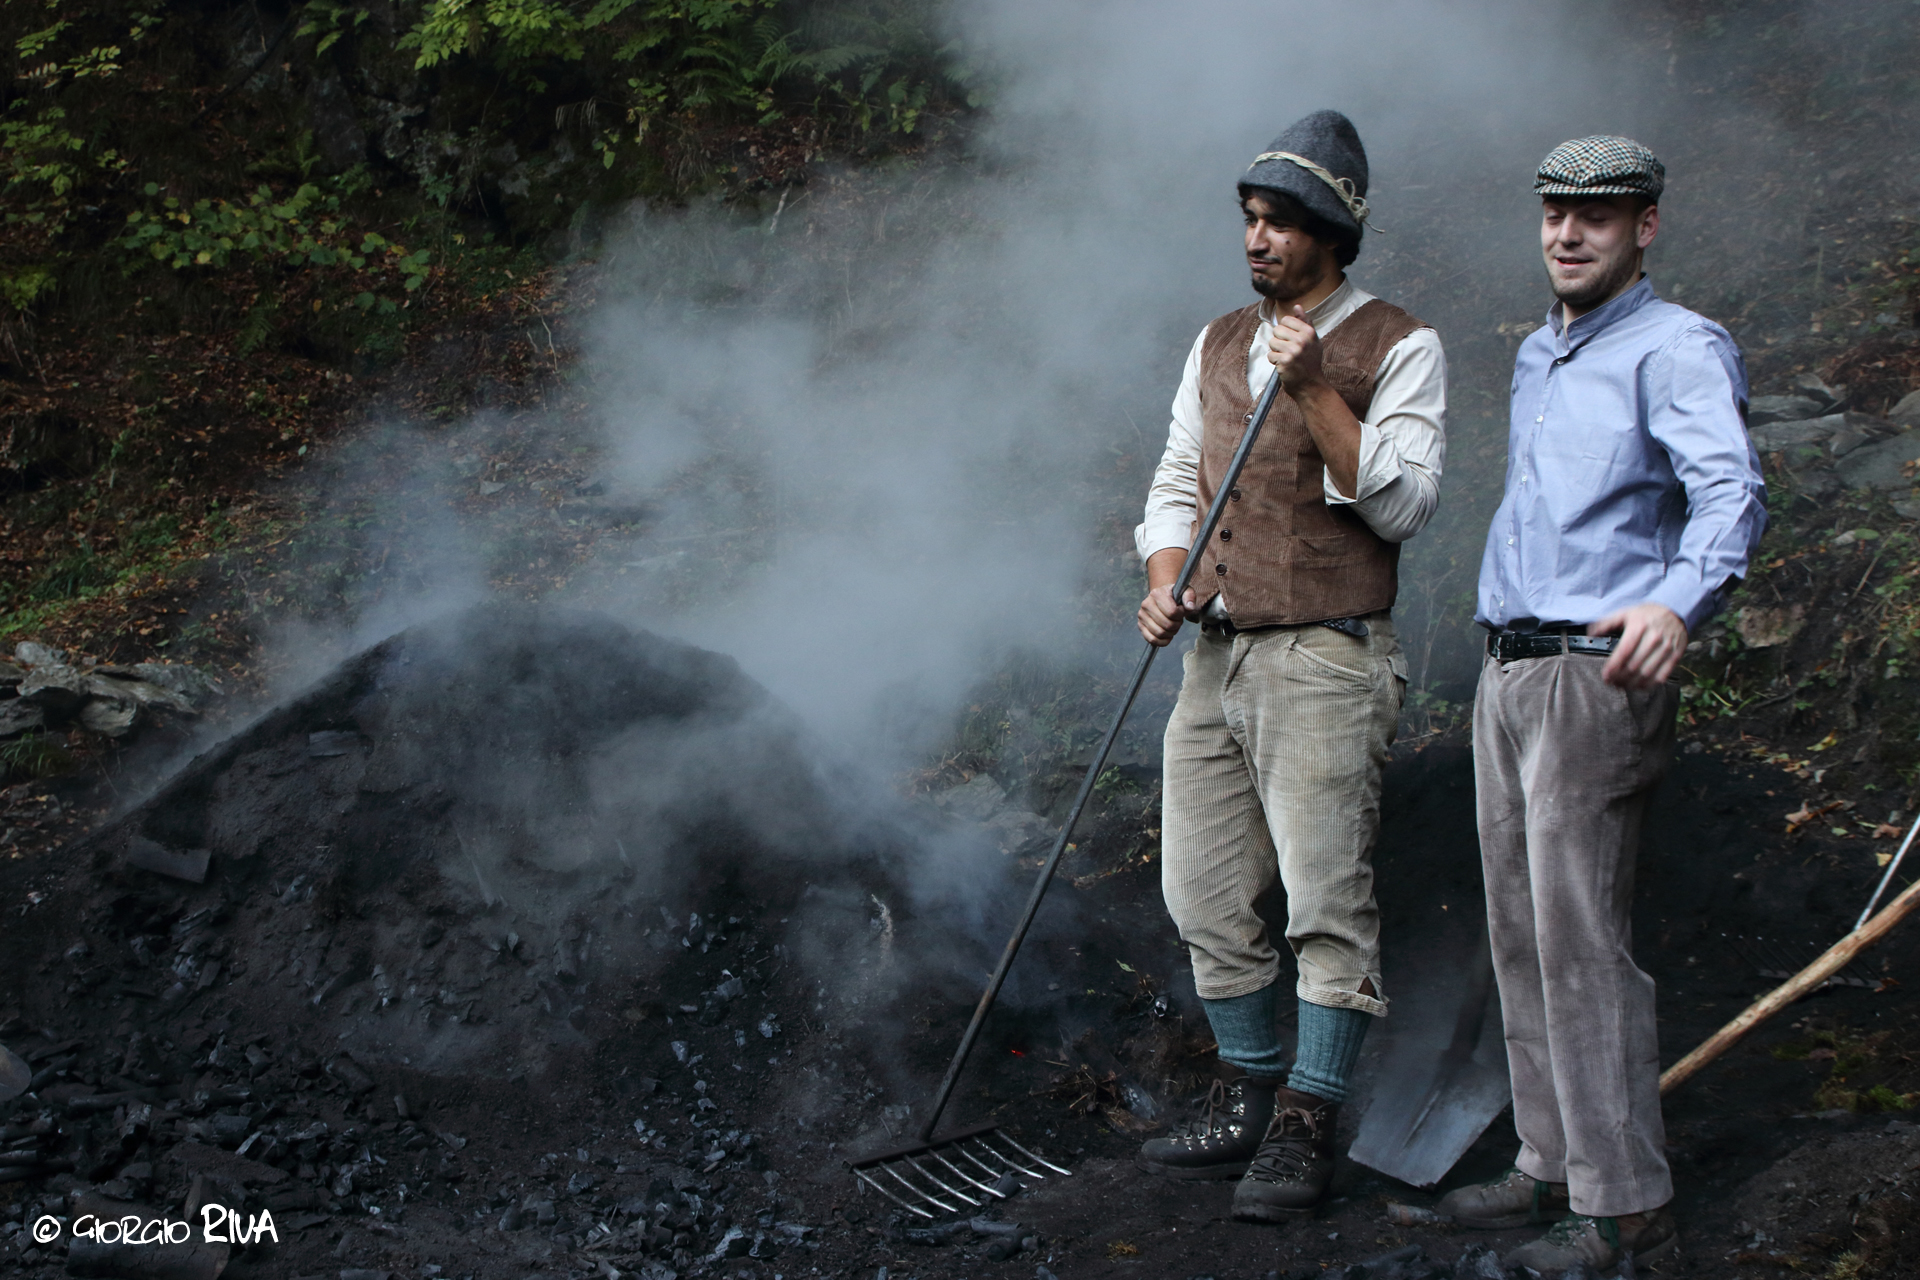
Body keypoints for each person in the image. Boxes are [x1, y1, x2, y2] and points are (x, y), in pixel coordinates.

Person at [1435, 136, 1766, 1273]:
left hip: (1596, 673)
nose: (1569, 234)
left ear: (1644, 227)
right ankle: (1551, 1162)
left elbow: (1730, 490)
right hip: (1512, 668)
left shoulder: (1676, 348)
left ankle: (1625, 1204)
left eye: (1598, 215)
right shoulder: (1541, 352)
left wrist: (1676, 601)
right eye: (1555, 214)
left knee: (1582, 943)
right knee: (1520, 932)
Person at [1131, 109, 1448, 1223]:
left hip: (1327, 657)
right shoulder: (1220, 340)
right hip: (1214, 656)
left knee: (1323, 901)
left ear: (1330, 234)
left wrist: (1315, 386)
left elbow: (1404, 506)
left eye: (1279, 222)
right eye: (1249, 218)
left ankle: (1306, 1124)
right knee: (1203, 893)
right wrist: (1166, 576)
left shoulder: (1398, 344)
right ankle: (1246, 1094)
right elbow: (1178, 477)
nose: (1256, 239)